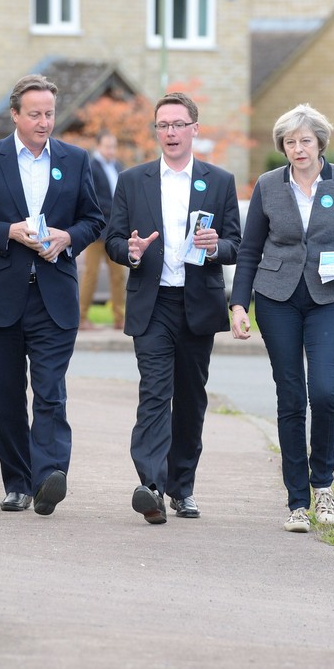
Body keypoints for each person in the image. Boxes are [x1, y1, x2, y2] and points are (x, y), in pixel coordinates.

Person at [0, 74, 105, 515]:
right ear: (15, 114)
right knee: (6, 395)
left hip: (55, 296)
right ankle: (17, 482)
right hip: (0, 296)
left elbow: (93, 220)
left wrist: (65, 237)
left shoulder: (75, 160)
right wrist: (9, 232)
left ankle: (48, 478)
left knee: (51, 391)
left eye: (50, 114)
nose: (43, 122)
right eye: (34, 114)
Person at [230, 103, 334, 533]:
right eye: (290, 142)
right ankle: (297, 502)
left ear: (320, 143)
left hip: (328, 295)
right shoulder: (269, 185)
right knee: (291, 396)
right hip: (277, 297)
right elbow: (250, 248)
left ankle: (323, 486)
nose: (297, 149)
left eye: (305, 140)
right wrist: (239, 304)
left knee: (325, 392)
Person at [106, 92, 241, 523]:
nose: (170, 132)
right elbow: (112, 240)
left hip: (197, 304)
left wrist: (215, 246)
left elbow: (237, 244)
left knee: (189, 399)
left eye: (178, 124)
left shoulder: (219, 181)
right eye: (163, 125)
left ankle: (182, 488)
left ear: (194, 130)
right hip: (153, 302)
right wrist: (130, 250)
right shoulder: (133, 181)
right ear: (156, 132)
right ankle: (150, 486)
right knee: (153, 392)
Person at [79, 131, 125, 330]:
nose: (111, 150)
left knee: (119, 275)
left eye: (113, 146)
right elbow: (93, 197)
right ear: (98, 146)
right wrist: (118, 206)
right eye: (107, 146)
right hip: (97, 230)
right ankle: (80, 317)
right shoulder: (91, 166)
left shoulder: (117, 166)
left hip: (115, 230)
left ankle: (120, 317)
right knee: (92, 273)